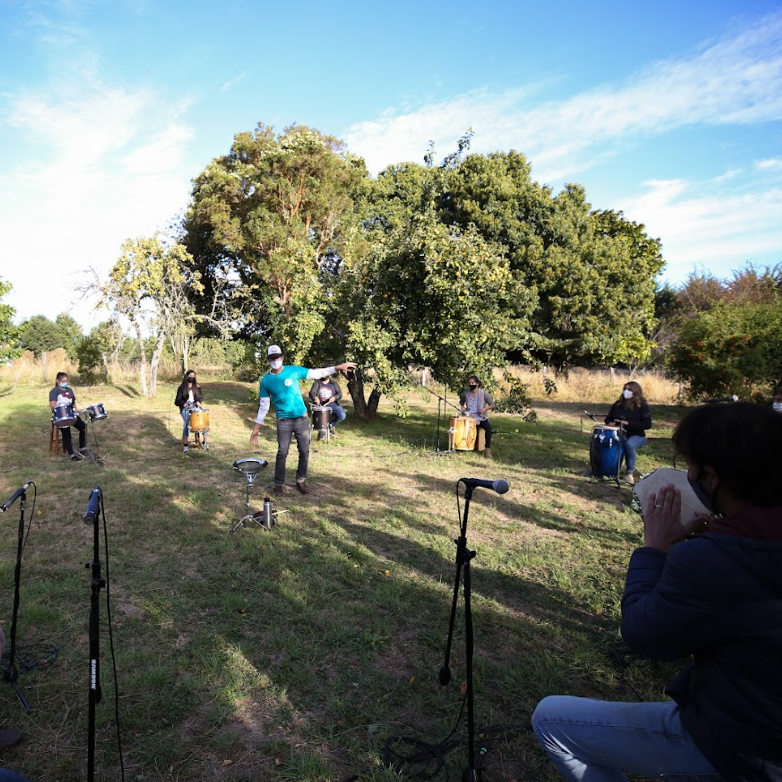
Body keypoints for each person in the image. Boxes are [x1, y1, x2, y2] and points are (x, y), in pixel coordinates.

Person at [533, 402, 782, 782]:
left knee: (552, 720)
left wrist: (655, 549)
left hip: (741, 745)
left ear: (711, 477)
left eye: (692, 466)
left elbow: (644, 635)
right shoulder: (738, 544)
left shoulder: (714, 559)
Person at [250, 345, 356, 496]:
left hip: (301, 419)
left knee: (304, 451)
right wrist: (256, 428)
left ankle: (301, 480)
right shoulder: (266, 381)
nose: (275, 361)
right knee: (282, 452)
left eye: (278, 357)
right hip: (283, 421)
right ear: (268, 360)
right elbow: (263, 406)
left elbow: (317, 373)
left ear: (282, 357)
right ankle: (278, 484)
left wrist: (338, 367)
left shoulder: (293, 370)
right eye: (272, 358)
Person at [604, 380, 652, 484]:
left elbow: (647, 424)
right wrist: (610, 423)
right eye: (625, 389)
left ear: (636, 392)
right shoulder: (618, 404)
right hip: (618, 434)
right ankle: (605, 469)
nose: (626, 391)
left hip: (637, 436)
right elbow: (608, 418)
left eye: (629, 389)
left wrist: (628, 423)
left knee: (629, 444)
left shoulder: (642, 406)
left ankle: (629, 473)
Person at [48, 372, 86, 461]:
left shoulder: (69, 390)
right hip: (60, 415)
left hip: (71, 414)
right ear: (57, 381)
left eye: (66, 381)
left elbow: (73, 402)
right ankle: (71, 454)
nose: (65, 383)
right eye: (63, 381)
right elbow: (52, 405)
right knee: (66, 431)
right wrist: (62, 407)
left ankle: (82, 448)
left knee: (83, 427)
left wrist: (75, 410)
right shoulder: (54, 391)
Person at [459, 375, 494, 458]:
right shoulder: (466, 393)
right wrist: (463, 408)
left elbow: (492, 405)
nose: (471, 384)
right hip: (469, 417)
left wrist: (485, 408)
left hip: (481, 417)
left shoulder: (484, 393)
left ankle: (487, 449)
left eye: (472, 383)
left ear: (477, 384)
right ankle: (463, 445)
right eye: (469, 383)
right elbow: (461, 402)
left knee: (488, 429)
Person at [174, 370, 205, 455]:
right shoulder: (182, 388)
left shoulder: (197, 387)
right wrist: (183, 404)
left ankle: (203, 442)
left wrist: (198, 401)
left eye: (194, 376)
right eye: (190, 375)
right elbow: (177, 401)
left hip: (195, 407)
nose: (192, 377)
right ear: (187, 376)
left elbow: (200, 397)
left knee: (200, 421)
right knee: (187, 423)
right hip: (185, 408)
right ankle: (185, 445)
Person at [308, 372, 347, 439]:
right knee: (319, 419)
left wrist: (335, 398)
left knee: (342, 415)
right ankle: (323, 431)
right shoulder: (317, 383)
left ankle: (330, 425)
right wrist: (315, 397)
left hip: (332, 404)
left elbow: (339, 394)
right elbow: (312, 393)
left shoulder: (334, 384)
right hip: (320, 405)